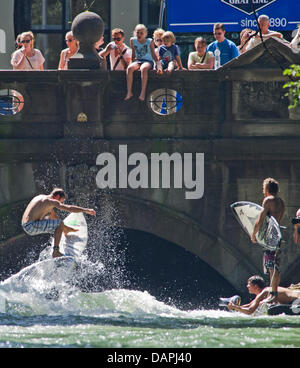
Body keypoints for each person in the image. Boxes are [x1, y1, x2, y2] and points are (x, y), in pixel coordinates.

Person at [21, 188, 96, 258]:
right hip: (31, 226)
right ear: (57, 196)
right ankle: (56, 251)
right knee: (59, 224)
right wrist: (86, 210)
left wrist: (64, 227)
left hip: (26, 225)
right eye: (60, 201)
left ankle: (66, 231)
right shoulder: (51, 201)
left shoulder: (42, 199)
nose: (59, 203)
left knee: (59, 224)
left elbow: (53, 217)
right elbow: (69, 208)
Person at [251, 178, 285, 303]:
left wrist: (254, 234)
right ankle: (273, 293)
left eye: (263, 188)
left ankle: (272, 295)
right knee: (275, 266)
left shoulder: (268, 200)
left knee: (271, 267)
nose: (262, 191)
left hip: (271, 237)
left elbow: (260, 220)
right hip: (278, 236)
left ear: (267, 189)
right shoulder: (281, 202)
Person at [227, 275, 300, 315]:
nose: (247, 286)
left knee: (272, 310)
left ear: (255, 286)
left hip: (296, 302)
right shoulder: (267, 291)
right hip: (296, 301)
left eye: (249, 284)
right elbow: (250, 305)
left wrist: (235, 307)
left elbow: (250, 311)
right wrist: (236, 307)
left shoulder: (264, 292)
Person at [125, 24, 162, 102]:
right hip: (138, 60)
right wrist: (132, 61)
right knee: (130, 68)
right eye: (138, 32)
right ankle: (129, 92)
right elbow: (133, 53)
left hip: (148, 61)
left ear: (145, 34)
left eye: (141, 33)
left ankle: (143, 92)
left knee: (144, 68)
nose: (139, 35)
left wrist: (158, 65)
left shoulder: (149, 41)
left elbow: (153, 55)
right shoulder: (132, 40)